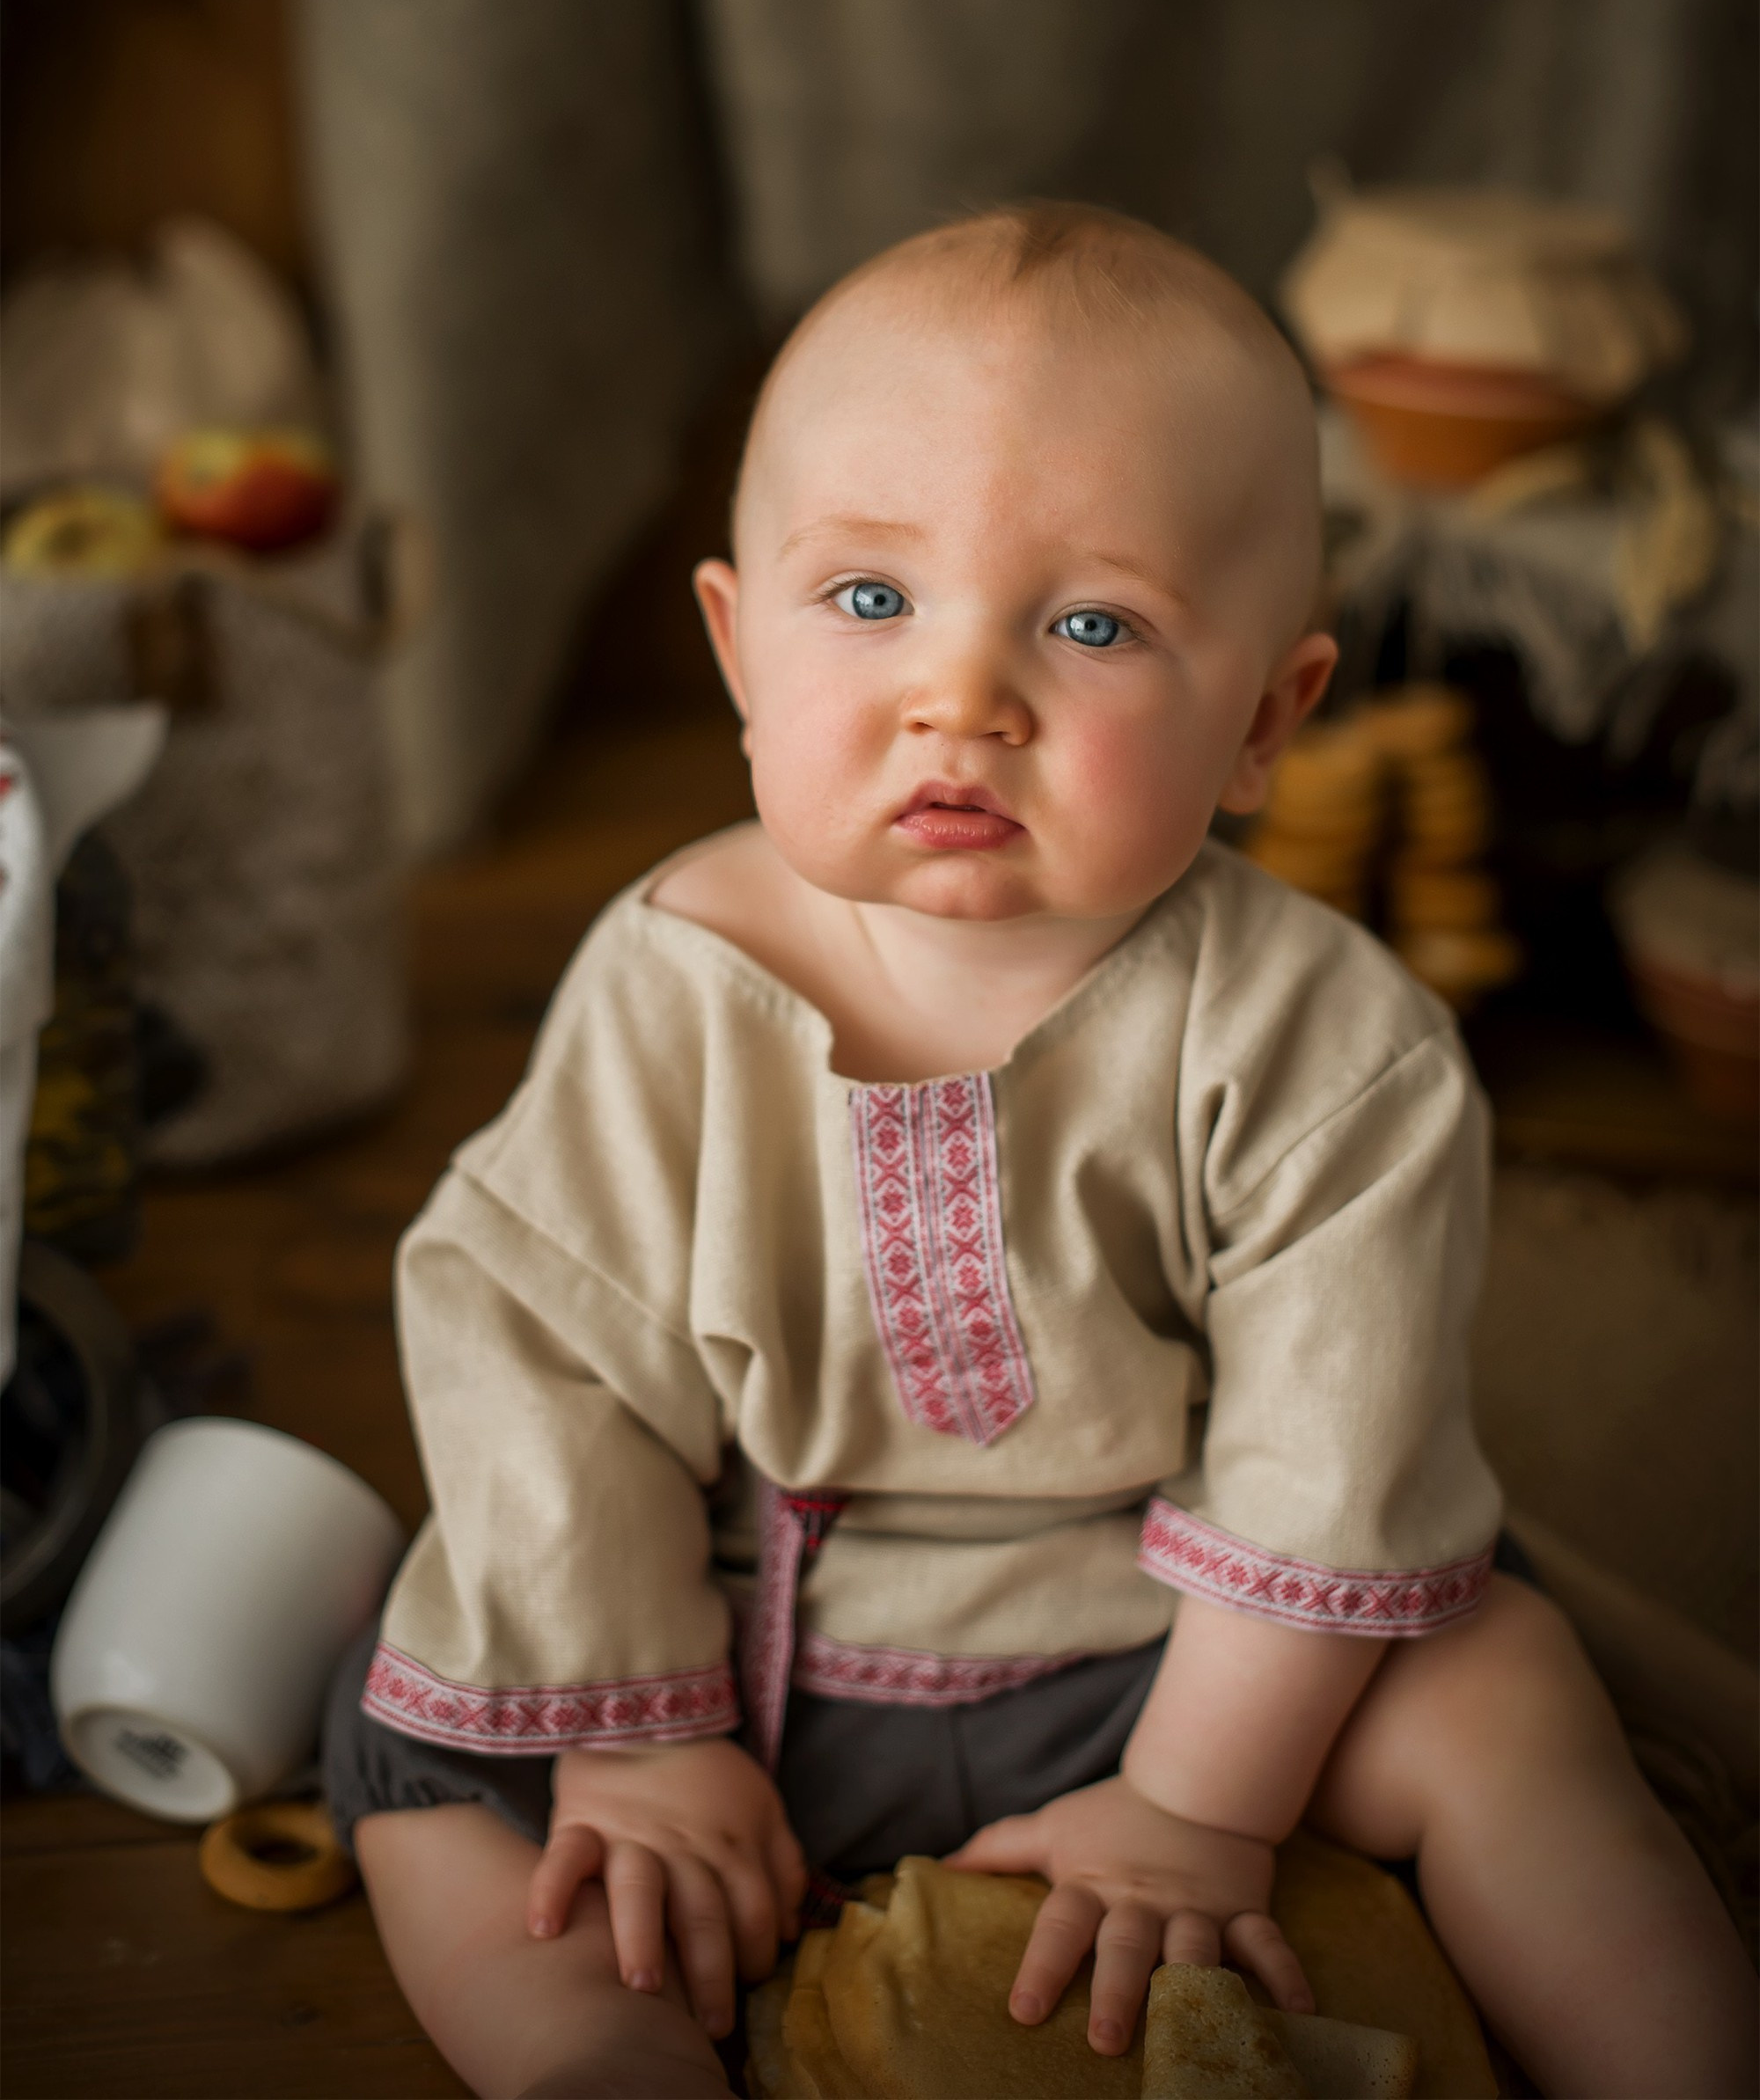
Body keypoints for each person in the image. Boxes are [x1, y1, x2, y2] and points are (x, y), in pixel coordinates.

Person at [326, 204, 1756, 2100]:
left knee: (1500, 1689)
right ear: (738, 646)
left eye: (1092, 625)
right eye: (869, 600)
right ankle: (599, 2059)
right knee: (412, 1749)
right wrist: (632, 1724)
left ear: (1265, 717)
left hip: (1167, 1645)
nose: (961, 697)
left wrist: (1193, 1804)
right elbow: (542, 1342)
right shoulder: (670, 982)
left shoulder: (1329, 1042)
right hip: (731, 1630)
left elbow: (1333, 1460)